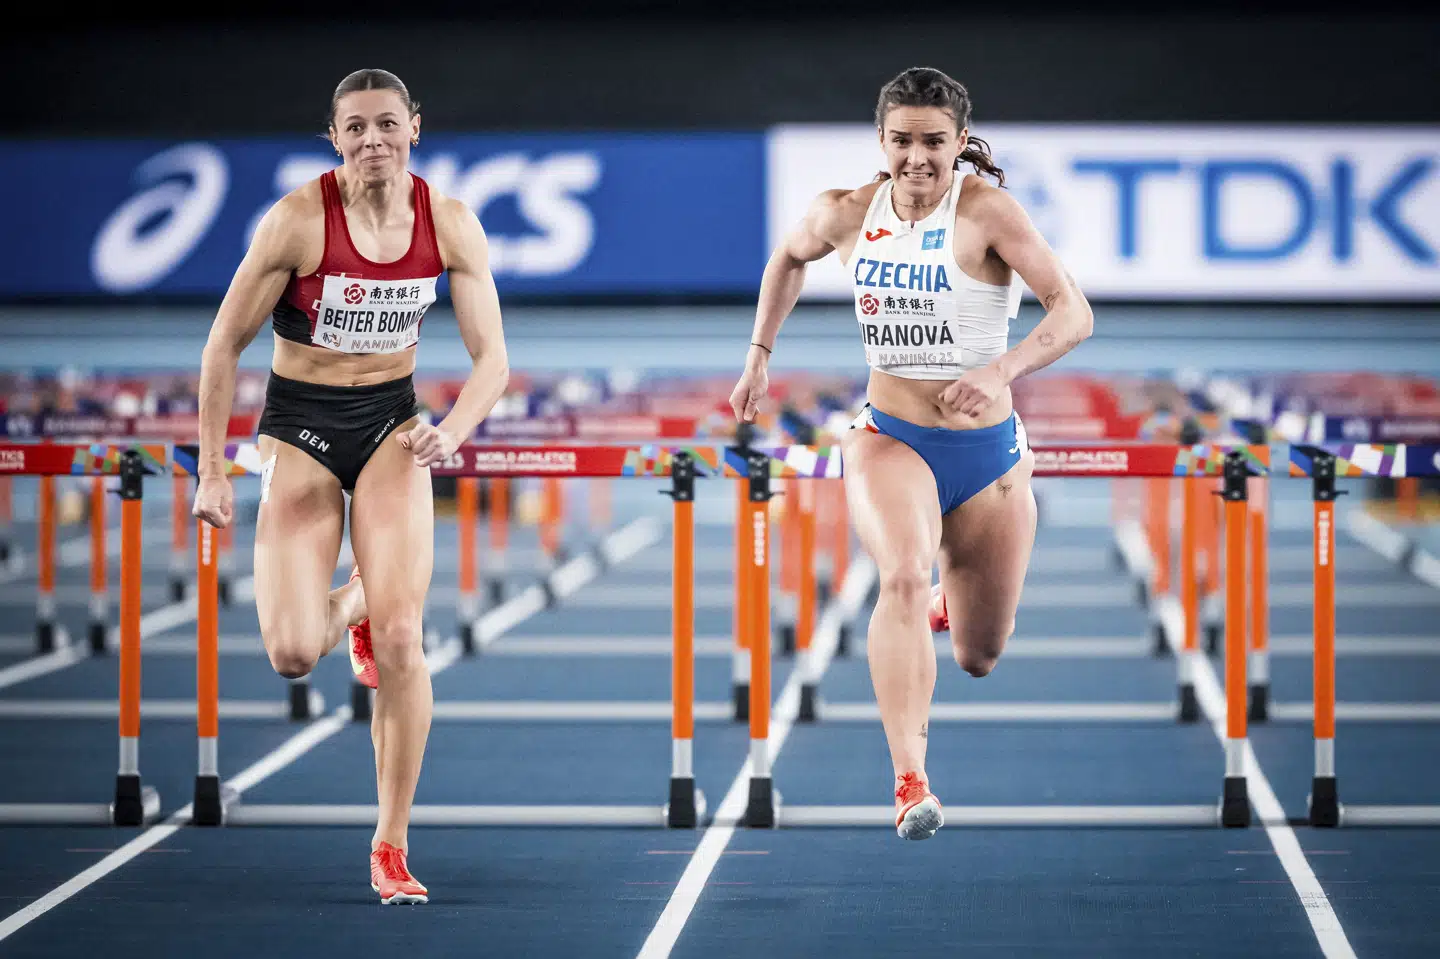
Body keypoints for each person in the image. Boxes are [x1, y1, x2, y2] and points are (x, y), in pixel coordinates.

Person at [729, 66, 1092, 840]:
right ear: (881, 140)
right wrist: (759, 353)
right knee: (898, 571)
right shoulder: (846, 211)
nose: (917, 158)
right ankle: (909, 778)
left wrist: (1000, 370)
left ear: (960, 142)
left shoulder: (986, 211)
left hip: (988, 455)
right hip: (890, 438)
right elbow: (787, 258)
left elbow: (1073, 311)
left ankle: (943, 603)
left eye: (933, 142)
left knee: (980, 653)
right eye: (902, 141)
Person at [192, 68, 510, 900]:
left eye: (387, 124)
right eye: (356, 127)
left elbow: (493, 361)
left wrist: (454, 429)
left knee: (403, 638)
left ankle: (390, 844)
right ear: (334, 138)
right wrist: (211, 469)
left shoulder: (449, 222)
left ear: (415, 128)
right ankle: (360, 598)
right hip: (299, 424)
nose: (374, 140)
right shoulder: (298, 221)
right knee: (294, 652)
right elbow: (222, 344)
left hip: (390, 425)